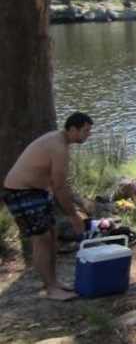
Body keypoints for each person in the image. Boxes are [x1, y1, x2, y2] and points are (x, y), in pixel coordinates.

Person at [2, 112, 93, 301]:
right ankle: (51, 289)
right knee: (41, 238)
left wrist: (76, 203)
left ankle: (54, 282)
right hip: (20, 191)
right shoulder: (58, 146)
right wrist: (74, 216)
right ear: (72, 129)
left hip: (38, 191)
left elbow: (58, 184)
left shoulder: (61, 143)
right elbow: (59, 186)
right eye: (85, 130)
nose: (88, 134)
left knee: (51, 235)